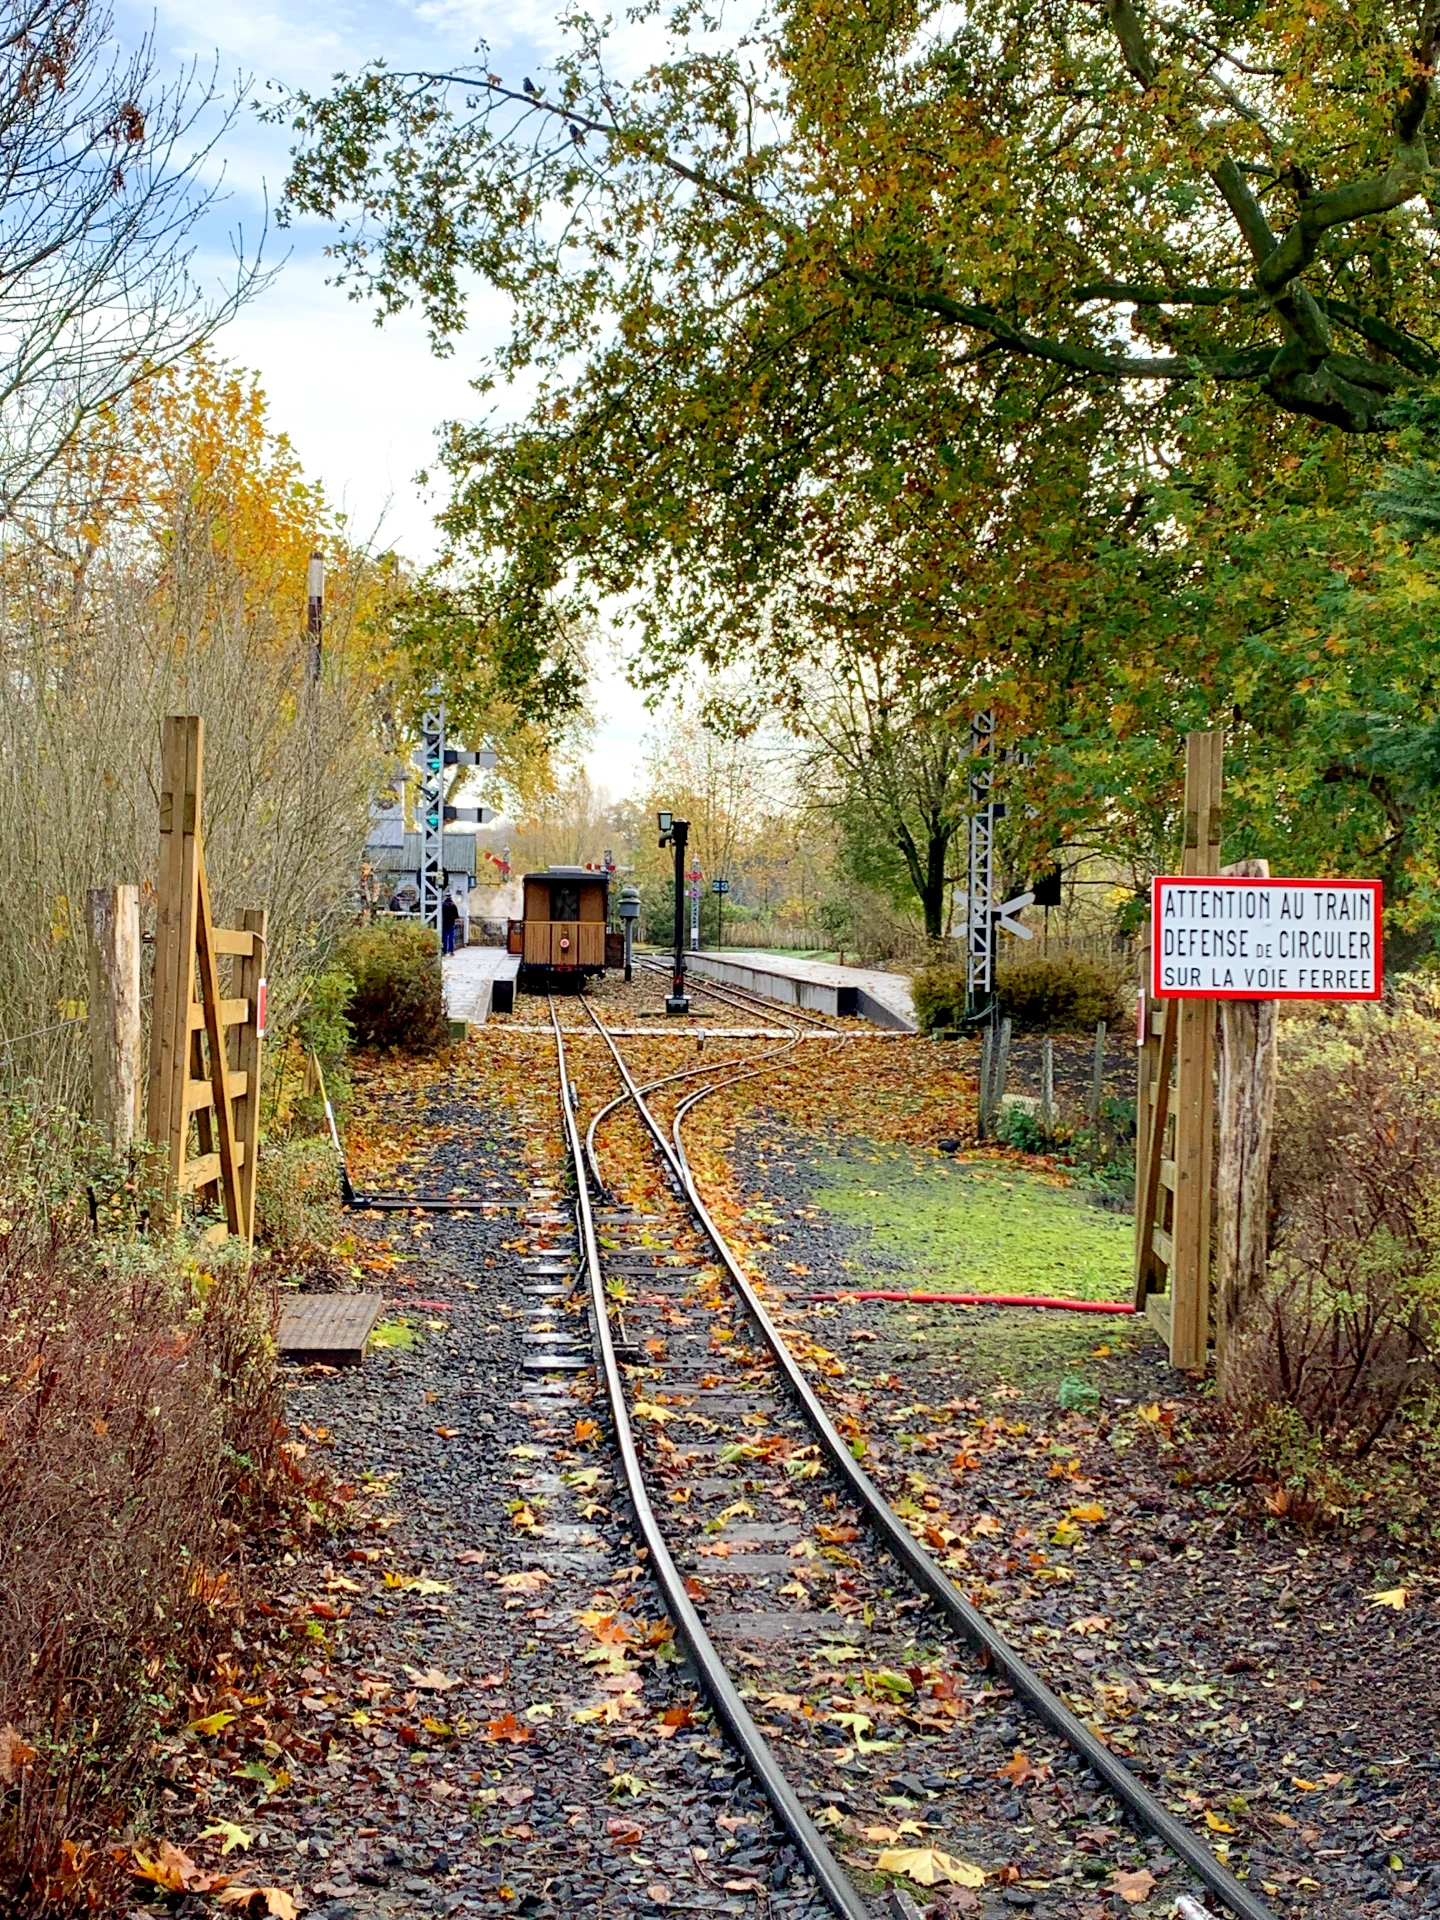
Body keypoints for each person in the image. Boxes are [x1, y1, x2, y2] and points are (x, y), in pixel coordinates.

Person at [441, 891, 459, 956]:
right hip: (451, 923)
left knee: (444, 937)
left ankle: (444, 951)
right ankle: (451, 950)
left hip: (445, 922)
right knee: (451, 937)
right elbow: (456, 916)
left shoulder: (443, 905)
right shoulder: (454, 905)